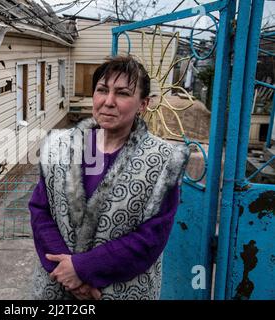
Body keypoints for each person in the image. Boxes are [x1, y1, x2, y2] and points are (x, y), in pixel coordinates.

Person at [29, 55, 190, 300]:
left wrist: (82, 268)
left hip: (119, 290)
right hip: (58, 285)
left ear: (143, 104)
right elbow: (41, 210)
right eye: (102, 90)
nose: (109, 101)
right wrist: (68, 274)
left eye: (123, 93)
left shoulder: (164, 159)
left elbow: (151, 236)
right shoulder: (61, 145)